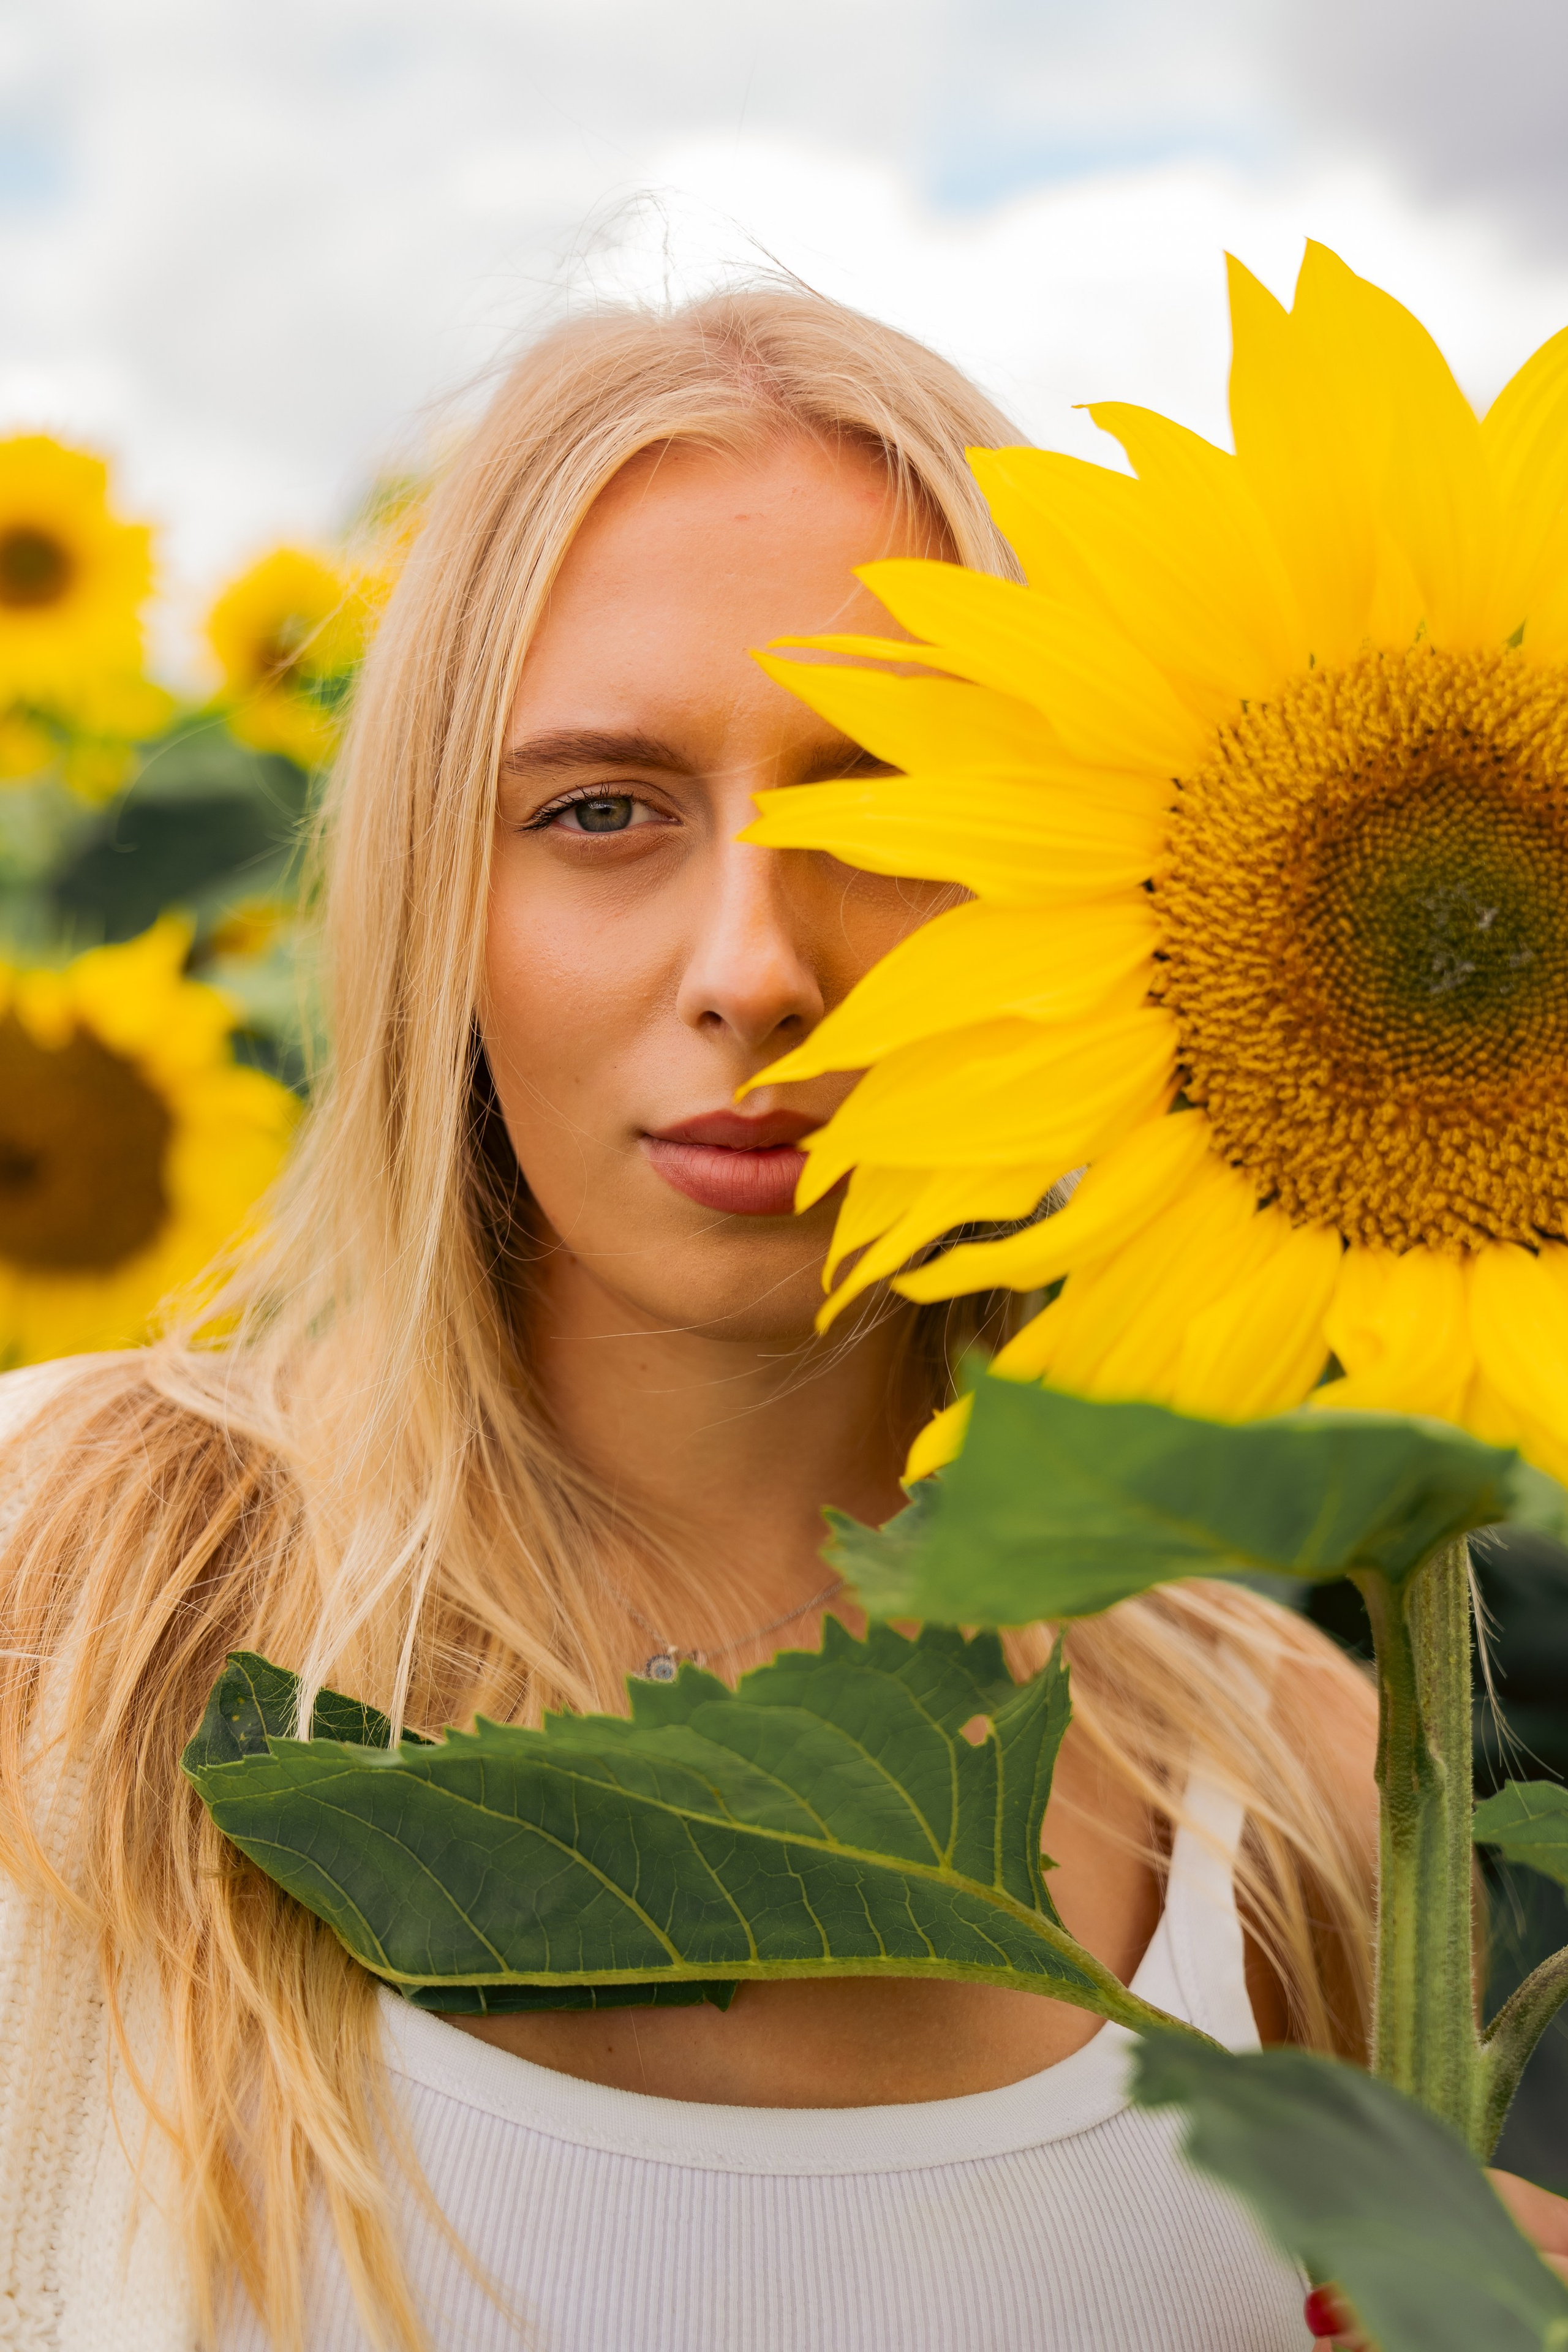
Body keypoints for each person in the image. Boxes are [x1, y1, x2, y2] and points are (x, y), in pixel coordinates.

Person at [0, 285, 1559, 2352]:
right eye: (600, 811)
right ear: (431, 904)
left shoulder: (1292, 1783)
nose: (757, 966)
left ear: (1069, 873)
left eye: (887, 807)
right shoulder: (67, 1590)